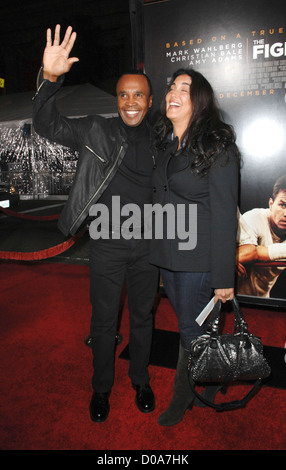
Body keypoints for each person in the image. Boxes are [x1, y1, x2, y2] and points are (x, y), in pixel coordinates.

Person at [32, 25, 159, 423]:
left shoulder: (163, 138)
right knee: (104, 322)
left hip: (150, 243)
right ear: (116, 100)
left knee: (143, 318)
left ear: (150, 100)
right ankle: (101, 388)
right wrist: (49, 78)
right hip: (106, 242)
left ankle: (140, 379)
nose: (130, 102)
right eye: (123, 95)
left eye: (138, 94)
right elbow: (47, 125)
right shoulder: (97, 130)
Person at [150, 68, 240, 426]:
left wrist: (223, 277)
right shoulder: (165, 144)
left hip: (198, 263)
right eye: (171, 86)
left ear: (199, 100)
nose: (173, 92)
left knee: (189, 333)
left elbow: (224, 216)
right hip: (167, 259)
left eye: (184, 88)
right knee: (197, 330)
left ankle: (181, 398)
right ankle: (210, 384)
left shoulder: (217, 146)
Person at [237, 175, 286, 298]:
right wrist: (225, 258)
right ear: (271, 203)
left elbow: (253, 252)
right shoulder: (255, 218)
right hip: (232, 301)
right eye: (282, 205)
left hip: (263, 303)